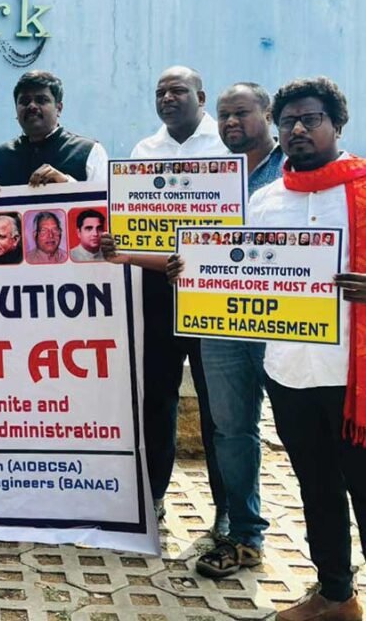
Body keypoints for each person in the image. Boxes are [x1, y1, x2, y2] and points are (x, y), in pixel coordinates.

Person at [233, 76, 366, 621]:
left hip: (354, 377)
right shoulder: (264, 202)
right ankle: (336, 596)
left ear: (337, 124)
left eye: (311, 119)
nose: (298, 130)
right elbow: (237, 276)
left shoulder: (362, 191)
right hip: (289, 371)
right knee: (316, 488)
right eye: (288, 121)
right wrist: (190, 276)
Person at [168, 82, 286, 579]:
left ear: (268, 115)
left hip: (287, 327)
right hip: (219, 321)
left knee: (306, 441)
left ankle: (334, 557)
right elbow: (182, 237)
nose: (231, 122)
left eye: (242, 113)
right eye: (224, 115)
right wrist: (173, 261)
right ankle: (243, 534)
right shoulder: (215, 177)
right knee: (230, 431)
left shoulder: (294, 171)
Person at [129, 66, 228, 532]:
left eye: (177, 90)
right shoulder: (144, 152)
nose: (167, 98)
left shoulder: (226, 148)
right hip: (158, 296)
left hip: (213, 300)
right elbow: (132, 223)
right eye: (160, 92)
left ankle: (227, 512)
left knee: (218, 409)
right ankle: (153, 496)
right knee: (158, 400)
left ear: (201, 96)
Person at [0, 71, 109, 186]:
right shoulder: (0, 157)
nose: (32, 106)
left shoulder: (89, 152)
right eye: (24, 101)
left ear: (59, 108)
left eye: (41, 100)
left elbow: (105, 202)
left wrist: (67, 185)